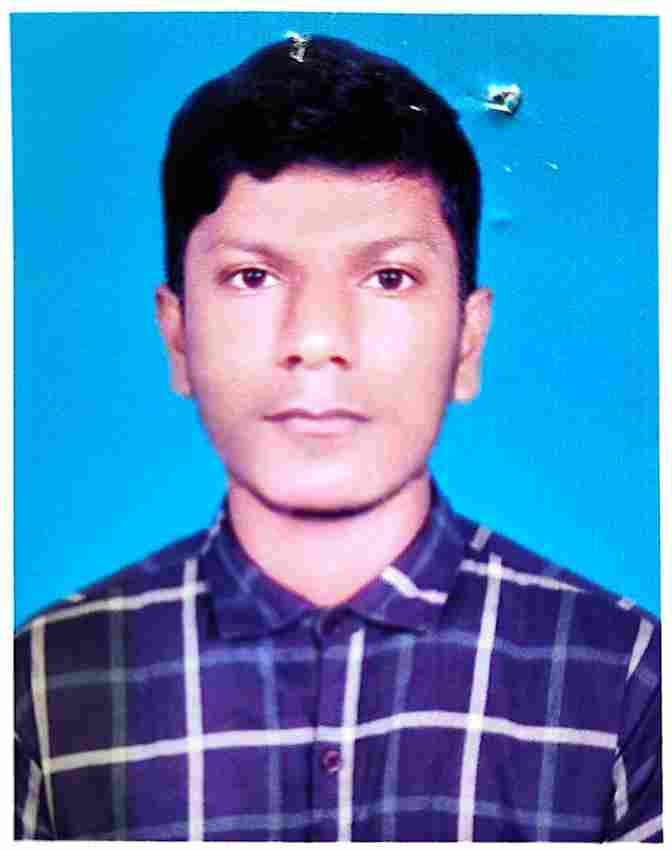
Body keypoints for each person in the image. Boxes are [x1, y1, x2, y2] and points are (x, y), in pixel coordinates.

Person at [14, 34, 661, 842]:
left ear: (468, 339)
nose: (317, 339)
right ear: (177, 334)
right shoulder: (41, 683)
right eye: (252, 277)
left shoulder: (627, 678)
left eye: (389, 278)